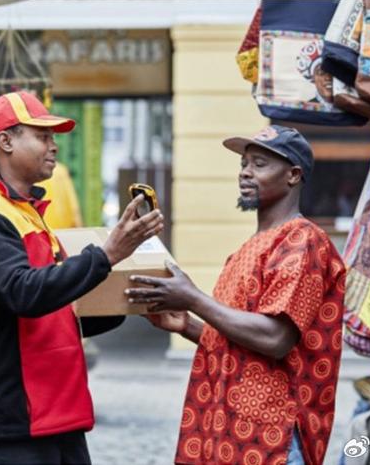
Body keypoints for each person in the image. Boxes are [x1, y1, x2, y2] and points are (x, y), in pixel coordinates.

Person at [0, 91, 163, 464]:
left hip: (54, 414)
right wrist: (108, 255)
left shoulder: (27, 214)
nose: (54, 146)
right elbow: (24, 294)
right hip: (11, 422)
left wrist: (129, 299)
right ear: (6, 141)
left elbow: (57, 309)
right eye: (42, 136)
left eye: (53, 137)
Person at [126, 125, 346, 465]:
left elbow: (275, 338)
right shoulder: (251, 247)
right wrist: (188, 326)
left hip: (272, 436)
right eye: (244, 163)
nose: (245, 171)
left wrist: (194, 299)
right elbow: (243, 344)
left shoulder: (303, 241)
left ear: (293, 175)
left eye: (259, 164)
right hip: (230, 431)